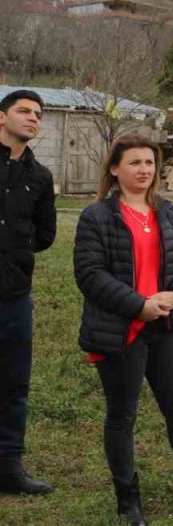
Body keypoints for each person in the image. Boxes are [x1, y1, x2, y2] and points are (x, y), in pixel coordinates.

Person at [73, 134, 173, 523]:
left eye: (149, 163)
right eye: (134, 162)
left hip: (164, 327)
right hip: (120, 330)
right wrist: (139, 305)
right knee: (122, 416)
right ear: (115, 168)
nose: (144, 170)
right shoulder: (96, 216)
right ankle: (128, 502)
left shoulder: (165, 213)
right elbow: (90, 275)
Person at [0, 89, 56, 496]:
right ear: (2, 117)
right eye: (24, 111)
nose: (33, 118)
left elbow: (46, 234)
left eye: (38, 113)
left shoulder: (40, 176)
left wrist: (15, 254)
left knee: (14, 383)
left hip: (15, 296)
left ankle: (8, 467)